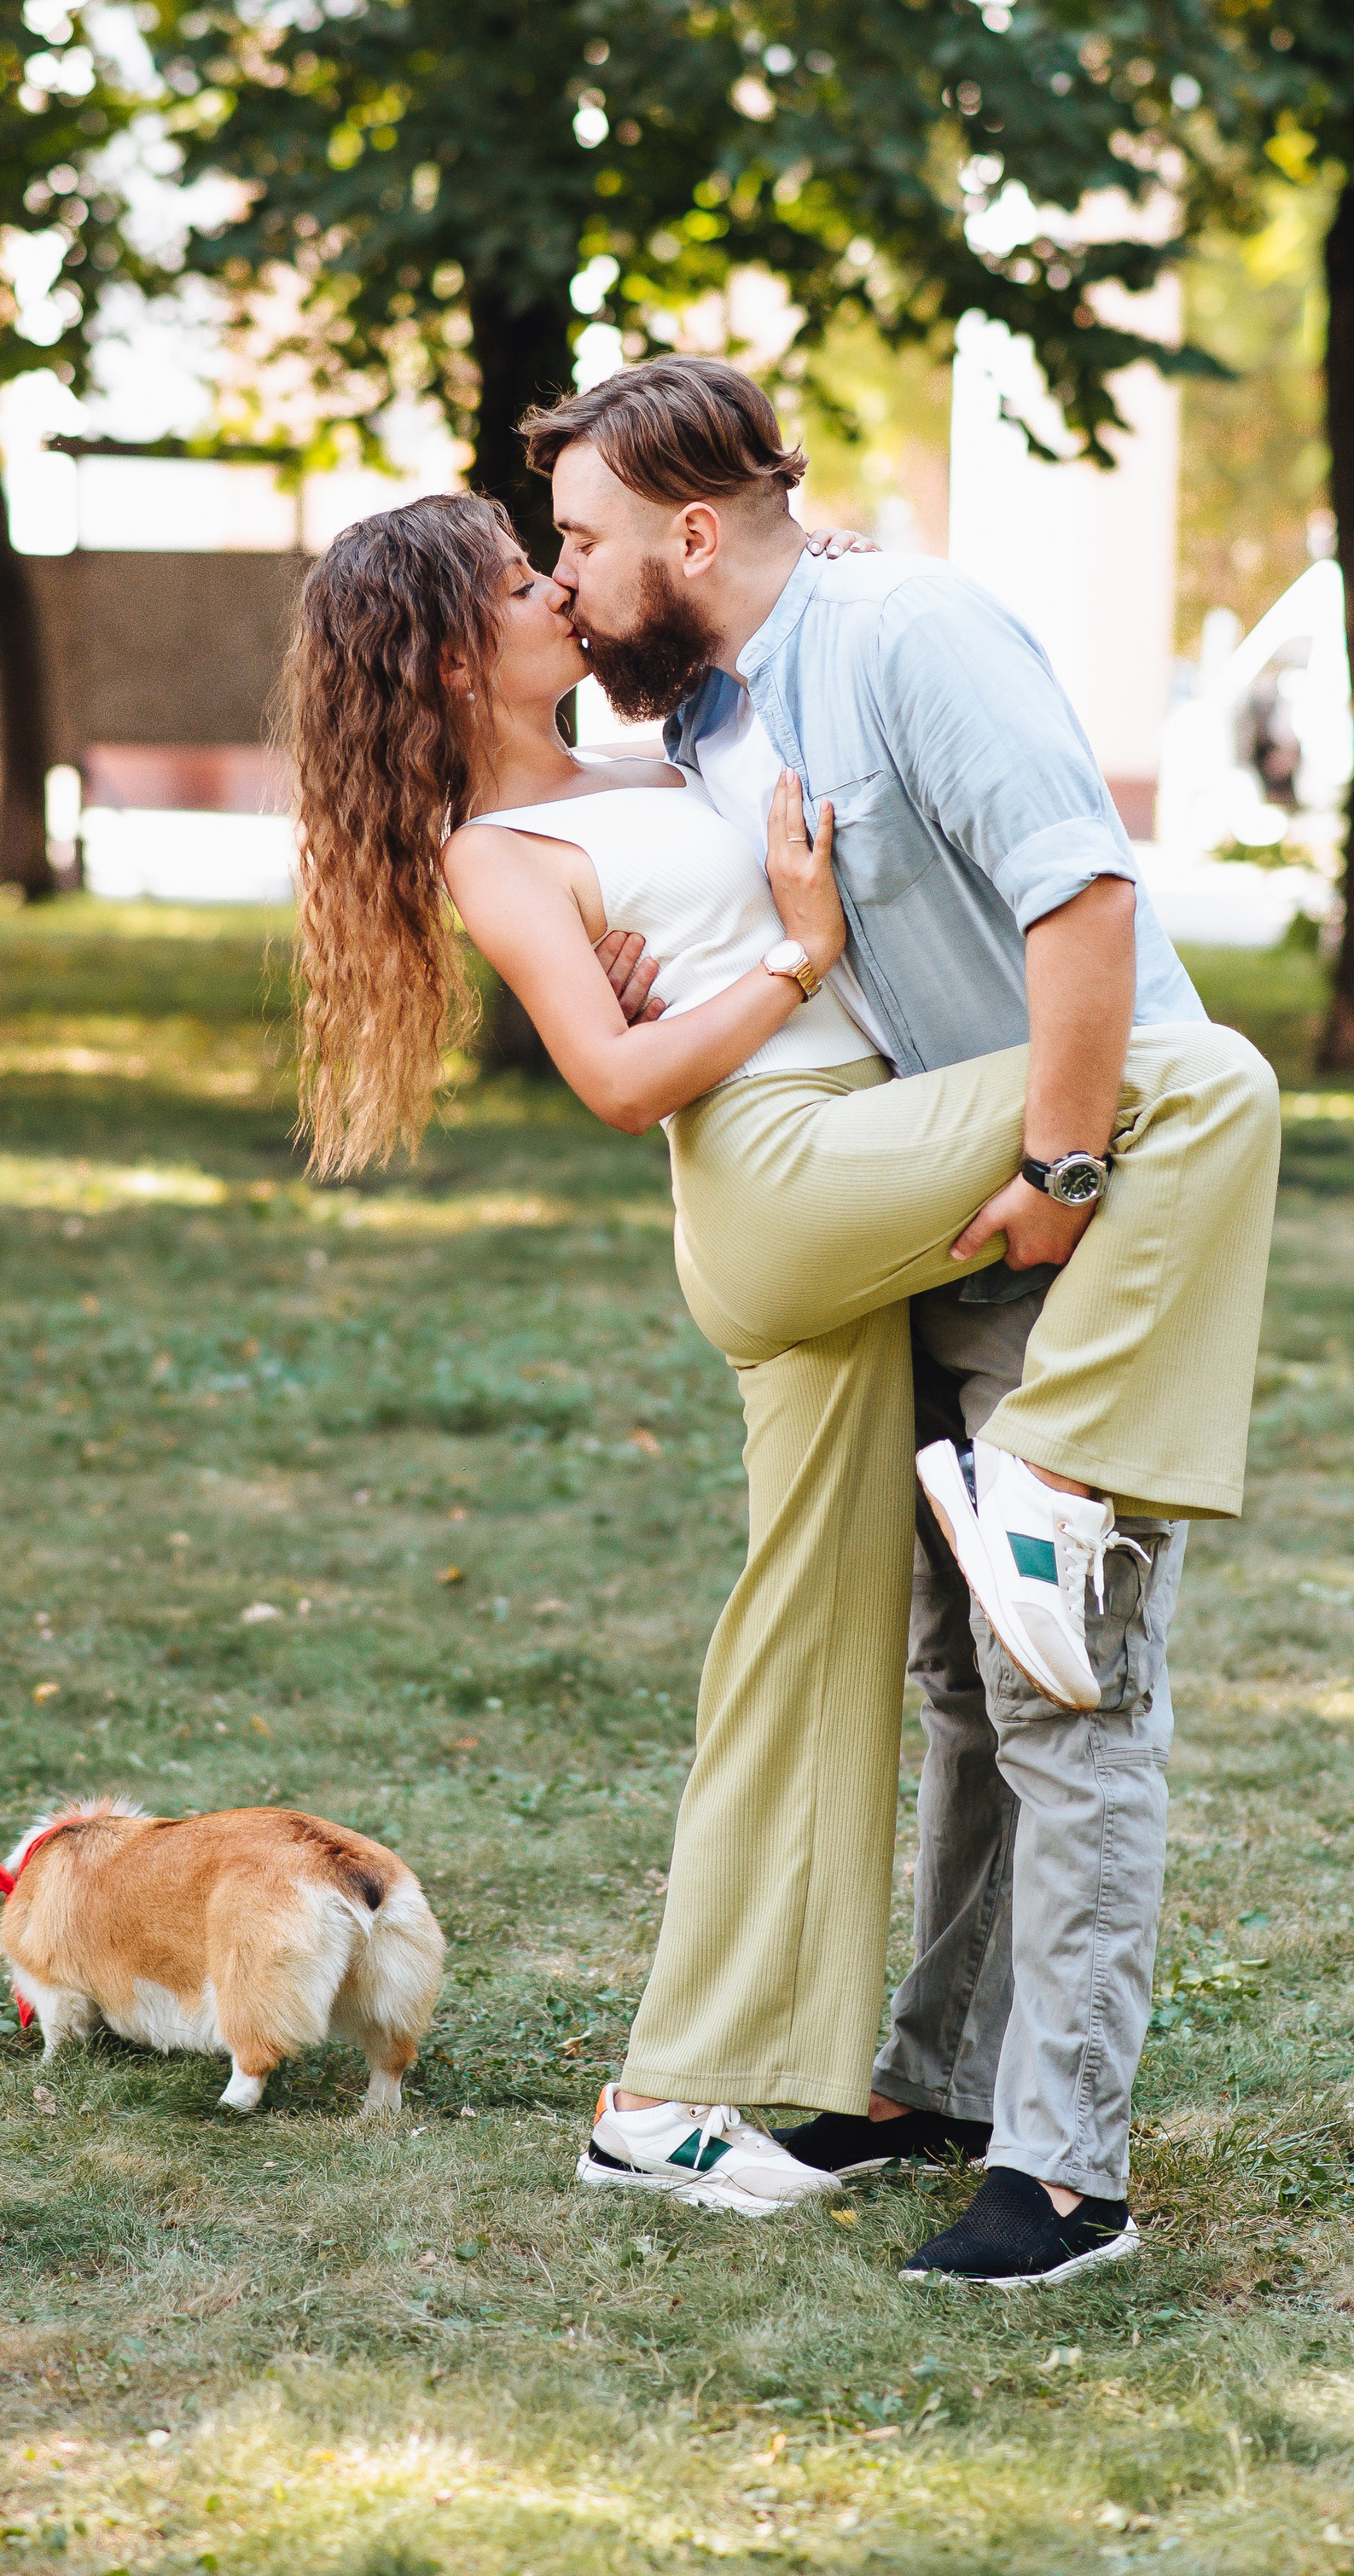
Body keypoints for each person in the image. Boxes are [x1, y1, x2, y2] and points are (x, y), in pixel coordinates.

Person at [285, 444, 1280, 2280]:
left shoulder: (649, 761)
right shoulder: (493, 849)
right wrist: (785, 956)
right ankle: (1054, 1468)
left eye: (556, 556)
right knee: (1197, 1072)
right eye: (519, 583)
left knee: (801, 1654)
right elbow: (610, 1075)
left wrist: (758, 936)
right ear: (441, 656)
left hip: (847, 1188)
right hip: (784, 1182)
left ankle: (687, 2088)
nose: (552, 593)